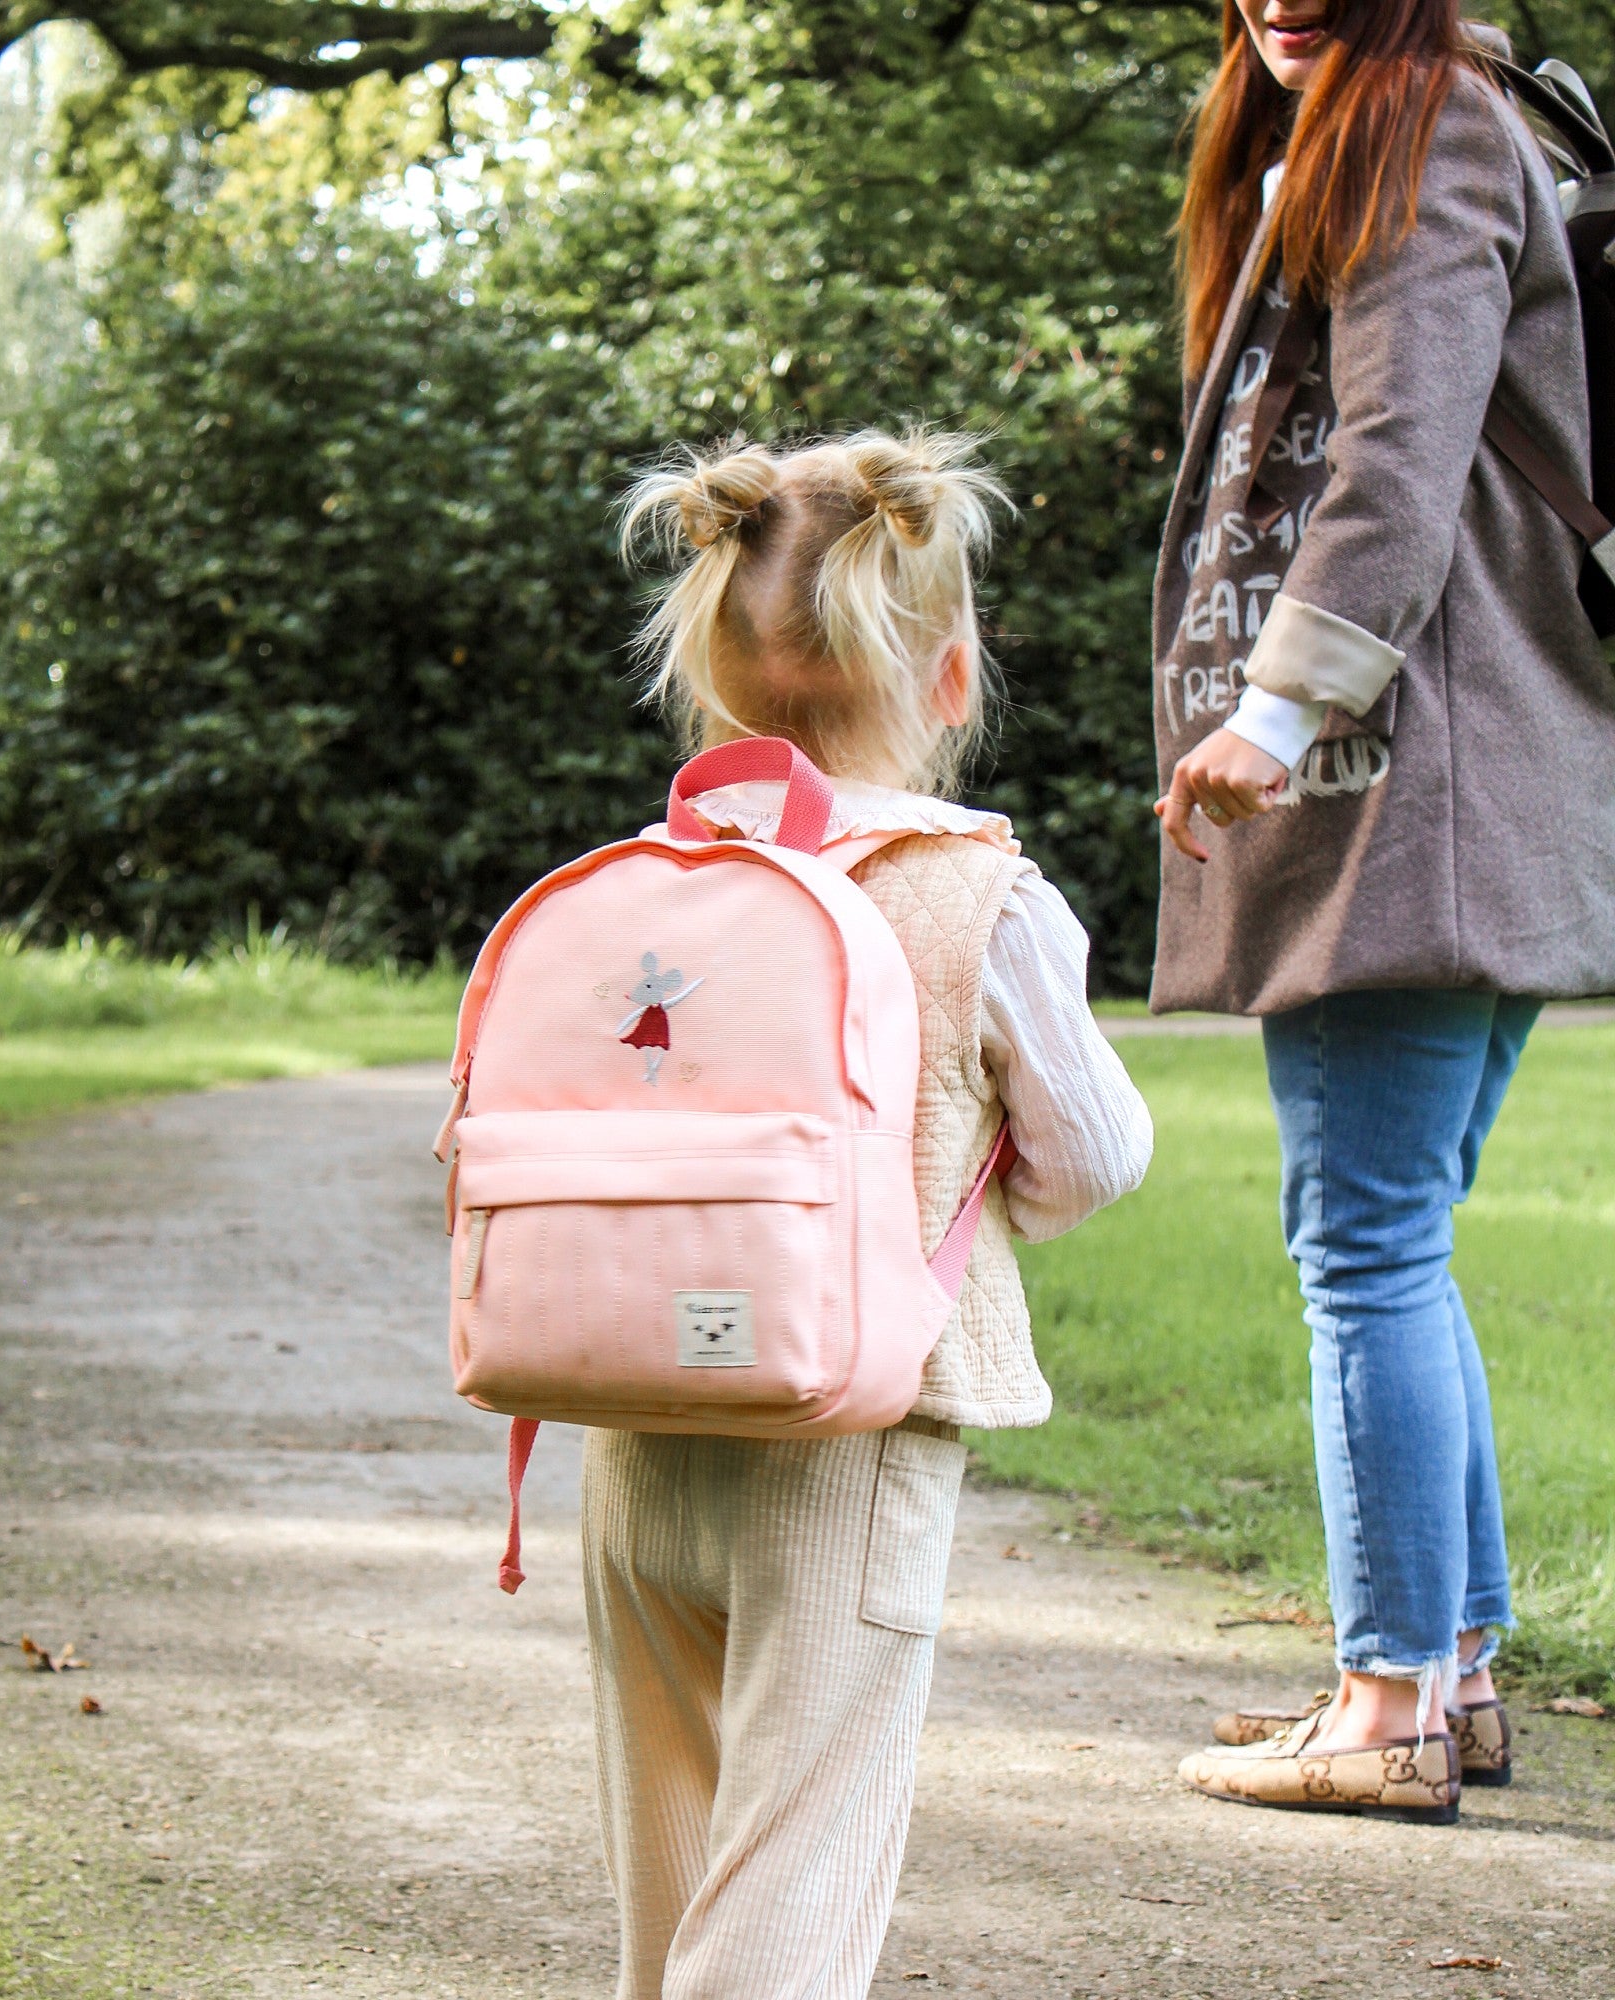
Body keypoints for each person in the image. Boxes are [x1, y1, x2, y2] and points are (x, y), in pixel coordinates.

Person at [590, 428, 1153, 1999]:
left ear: (704, 669)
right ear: (955, 675)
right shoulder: (981, 894)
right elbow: (1093, 1154)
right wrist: (977, 1188)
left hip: (633, 1417)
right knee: (796, 1873)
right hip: (848, 1435)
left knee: (677, 1864)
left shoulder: (646, 878)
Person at [1155, 0, 1615, 1821]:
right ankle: (1458, 1675)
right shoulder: (1466, 117)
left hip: (1405, 773)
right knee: (1394, 1236)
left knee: (1360, 1245)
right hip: (1490, 768)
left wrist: (1277, 710)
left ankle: (1389, 1696)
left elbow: (1398, 456)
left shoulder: (1421, 126)